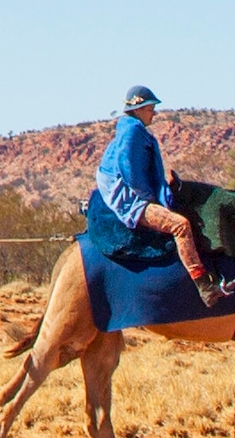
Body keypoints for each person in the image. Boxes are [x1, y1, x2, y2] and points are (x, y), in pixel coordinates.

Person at [94, 86, 222, 294]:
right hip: (132, 201)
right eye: (149, 108)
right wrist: (150, 199)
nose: (154, 112)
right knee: (180, 225)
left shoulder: (131, 129)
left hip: (133, 194)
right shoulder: (132, 131)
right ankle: (203, 286)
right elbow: (130, 171)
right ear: (137, 110)